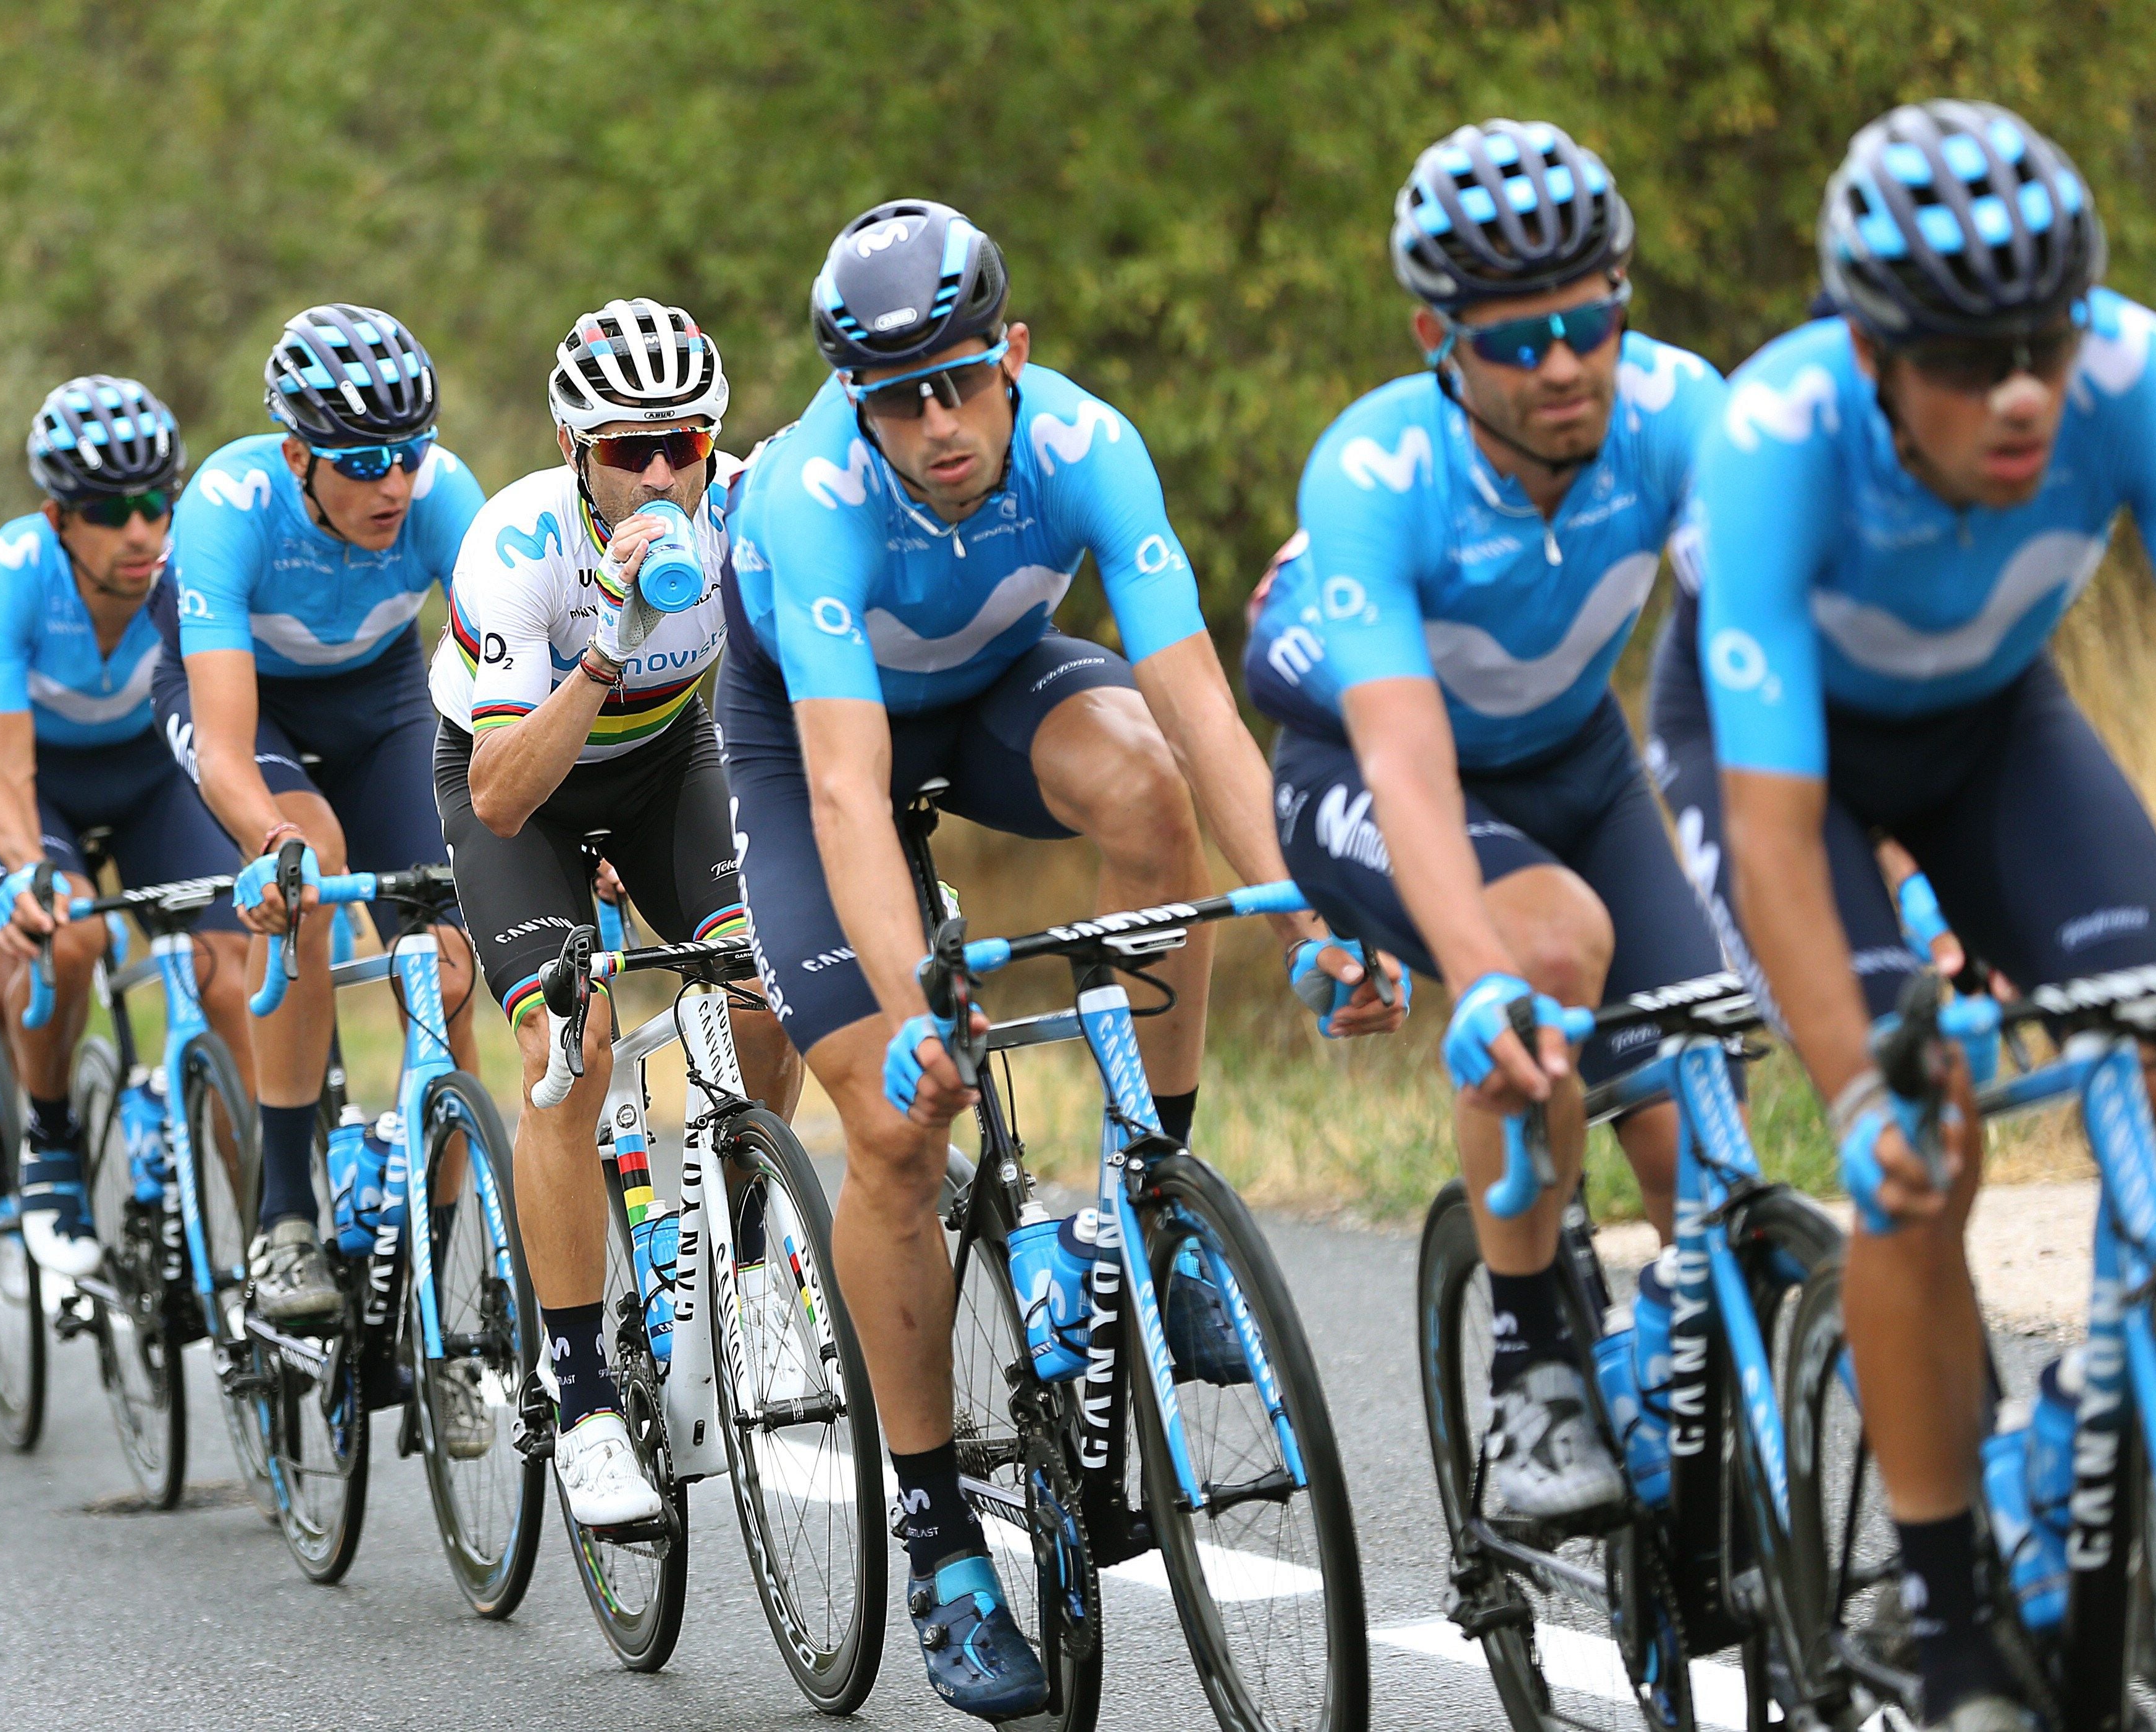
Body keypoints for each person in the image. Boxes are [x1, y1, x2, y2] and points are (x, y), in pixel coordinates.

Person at [719, 199, 1389, 1720]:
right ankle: (943, 1535)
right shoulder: (811, 501)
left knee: (1151, 785)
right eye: (899, 399)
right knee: (901, 1124)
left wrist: (1310, 914)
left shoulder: (1089, 444)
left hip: (999, 683)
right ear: (851, 399)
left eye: (961, 380)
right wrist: (914, 1012)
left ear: (1011, 352)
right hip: (814, 741)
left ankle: (1154, 1198)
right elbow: (842, 793)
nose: (940, 423)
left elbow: (1210, 716)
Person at [1652, 101, 2156, 1732]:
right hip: (1779, 766)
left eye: (2041, 336)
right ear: (1872, 353)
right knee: (1919, 1144)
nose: (2020, 388)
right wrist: (1859, 1082)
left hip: (1991, 731)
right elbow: (1767, 820)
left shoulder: (2136, 376)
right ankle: (1945, 1610)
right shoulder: (1772, 438)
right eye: (1966, 358)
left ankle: (2071, 1439)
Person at [1244, 119, 1732, 1518]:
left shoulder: (1682, 413)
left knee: (1699, 1123)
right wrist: (1478, 974)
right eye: (1518, 341)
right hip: (1367, 767)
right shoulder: (1377, 469)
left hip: (1579, 763)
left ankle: (1701, 1447)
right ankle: (1532, 1377)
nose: (1566, 363)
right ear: (1437, 339)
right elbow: (1403, 762)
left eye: (1591, 322)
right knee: (1552, 949)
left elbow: (1783, 652)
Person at [434, 298, 804, 1522]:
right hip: (519, 784)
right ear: (569, 447)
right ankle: (583, 1396)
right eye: (624, 450)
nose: (658, 474)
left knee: (771, 981)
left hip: (663, 765)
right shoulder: (516, 547)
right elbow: (497, 796)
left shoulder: (749, 513)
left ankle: (748, 1267)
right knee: (567, 1047)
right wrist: (608, 642)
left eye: (681, 447)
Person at [151, 303, 485, 1327]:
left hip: (383, 703)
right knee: (310, 873)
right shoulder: (228, 505)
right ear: (299, 454)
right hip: (248, 707)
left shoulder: (444, 498)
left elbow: (508, 689)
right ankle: (284, 1220)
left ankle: (432, 1275)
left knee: (452, 957)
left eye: (411, 452)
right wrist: (271, 838)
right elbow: (220, 735)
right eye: (365, 459)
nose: (394, 482)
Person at [0, 375, 260, 1278]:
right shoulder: (8, 576)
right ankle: (48, 1143)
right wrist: (24, 874)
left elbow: (228, 730)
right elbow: (2, 774)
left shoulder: (184, 573)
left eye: (154, 502)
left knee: (229, 975)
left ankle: (268, 1234)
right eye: (110, 510)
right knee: (69, 940)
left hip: (149, 782)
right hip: (39, 787)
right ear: (60, 518)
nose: (141, 530)